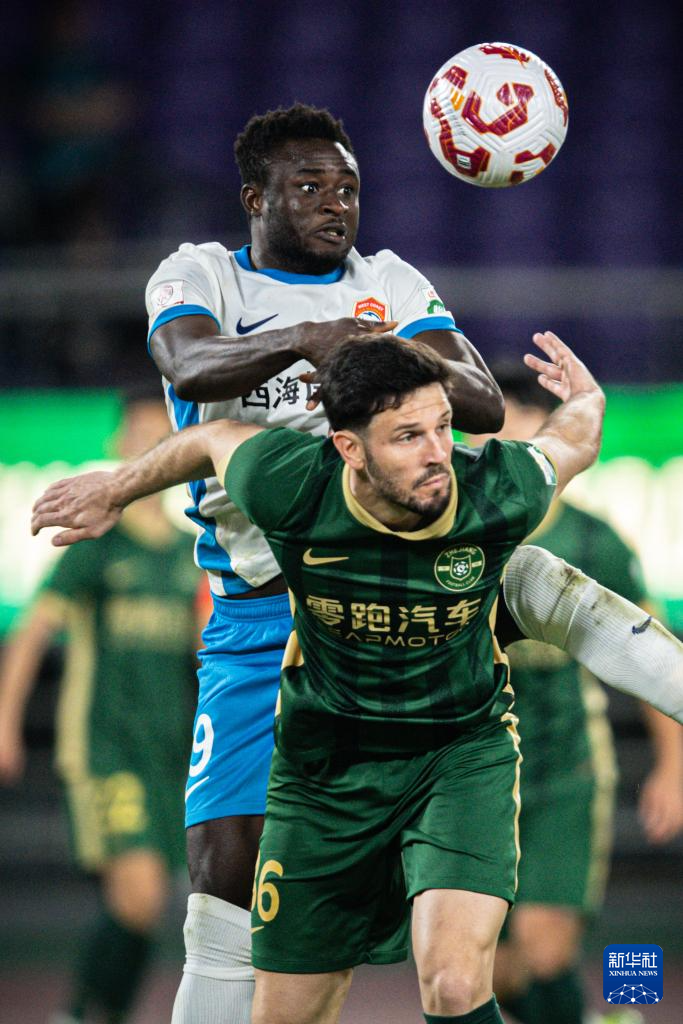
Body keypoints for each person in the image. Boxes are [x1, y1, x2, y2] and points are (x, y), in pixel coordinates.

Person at [32, 329, 602, 1024]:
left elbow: (573, 440)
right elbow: (211, 438)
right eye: (408, 435)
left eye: (443, 427)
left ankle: (611, 1008)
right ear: (348, 449)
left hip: (463, 757)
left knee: (465, 980)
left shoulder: (499, 488)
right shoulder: (293, 484)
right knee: (284, 1011)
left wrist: (588, 396)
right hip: (324, 775)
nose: (438, 453)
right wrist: (116, 489)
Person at [143, 102, 505, 1023]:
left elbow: (482, 402)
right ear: (254, 198)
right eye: (308, 186)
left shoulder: (389, 282)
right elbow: (189, 366)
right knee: (221, 895)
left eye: (346, 187)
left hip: (385, 613)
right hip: (257, 619)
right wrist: (305, 340)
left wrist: (381, 348)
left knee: (439, 952)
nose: (334, 203)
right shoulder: (202, 273)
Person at [467, 365, 683, 1024]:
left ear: (546, 426)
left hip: (565, 770)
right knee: (488, 970)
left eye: (506, 420)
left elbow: (648, 651)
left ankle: (609, 1011)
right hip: (473, 776)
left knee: (544, 947)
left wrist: (673, 768)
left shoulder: (593, 539)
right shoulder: (456, 534)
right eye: (478, 428)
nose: (488, 441)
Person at [0, 393, 200, 1024]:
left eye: (161, 439)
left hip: (171, 753)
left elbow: (208, 655)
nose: (148, 449)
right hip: (105, 746)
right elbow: (32, 633)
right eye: (139, 436)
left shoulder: (189, 553)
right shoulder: (94, 547)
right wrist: (5, 723)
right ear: (117, 447)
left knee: (147, 904)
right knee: (139, 894)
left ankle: (95, 1013)